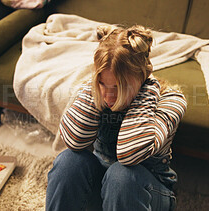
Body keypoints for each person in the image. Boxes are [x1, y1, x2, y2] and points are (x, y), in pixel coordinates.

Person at [45, 24, 187, 211]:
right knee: (68, 161)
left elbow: (130, 155)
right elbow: (74, 140)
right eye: (102, 83)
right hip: (104, 187)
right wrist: (95, 85)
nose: (109, 97)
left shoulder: (171, 101)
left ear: (142, 76)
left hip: (146, 193)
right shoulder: (98, 92)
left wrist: (146, 90)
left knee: (121, 175)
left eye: (119, 87)